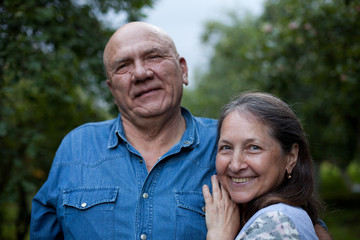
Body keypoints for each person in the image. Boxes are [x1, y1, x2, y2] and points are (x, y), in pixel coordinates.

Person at [30, 21, 217, 239]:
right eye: (123, 66)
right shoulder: (76, 147)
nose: (140, 73)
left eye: (153, 57)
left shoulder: (223, 144)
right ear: (112, 89)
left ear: (182, 70)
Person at [202, 92, 330, 240]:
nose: (236, 165)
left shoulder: (276, 224)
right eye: (226, 147)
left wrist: (218, 236)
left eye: (254, 147)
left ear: (291, 157)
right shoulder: (287, 216)